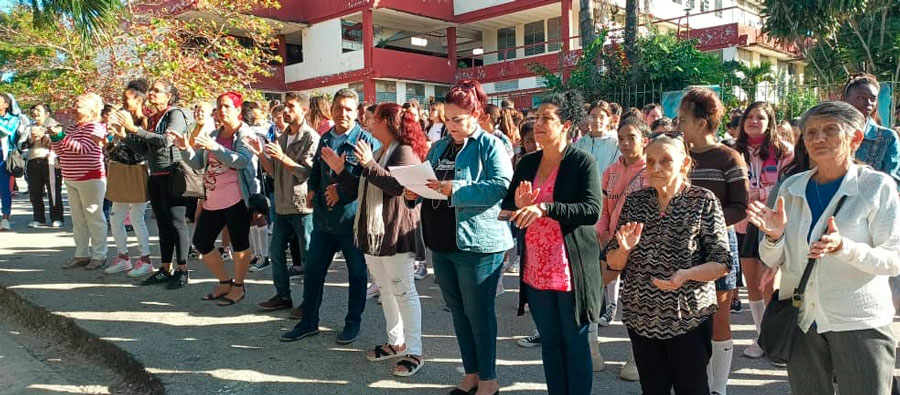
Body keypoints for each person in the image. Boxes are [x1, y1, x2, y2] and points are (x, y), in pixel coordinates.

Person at [748, 101, 900, 395]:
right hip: (803, 319)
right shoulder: (790, 188)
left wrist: (844, 247)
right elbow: (772, 258)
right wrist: (775, 236)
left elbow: (893, 260)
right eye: (811, 132)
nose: (818, 139)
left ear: (855, 138)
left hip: (858, 321)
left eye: (830, 130)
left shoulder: (876, 187)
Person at [404, 80, 513, 395]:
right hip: (442, 242)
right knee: (459, 312)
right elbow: (427, 183)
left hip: (477, 243)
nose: (450, 125)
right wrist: (413, 193)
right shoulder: (439, 147)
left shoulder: (490, 145)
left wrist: (457, 189)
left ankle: (489, 380)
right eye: (446, 119)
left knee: (478, 313)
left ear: (475, 114)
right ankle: (471, 373)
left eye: (458, 120)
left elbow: (500, 187)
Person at [606, 133, 731, 395]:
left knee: (693, 388)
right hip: (641, 316)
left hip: (688, 316)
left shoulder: (703, 200)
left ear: (684, 164)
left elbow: (721, 262)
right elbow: (613, 262)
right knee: (652, 388)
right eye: (650, 162)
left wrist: (686, 275)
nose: (656, 168)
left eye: (665, 161)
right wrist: (625, 250)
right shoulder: (636, 202)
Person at [500, 91, 602, 394]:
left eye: (547, 118)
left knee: (574, 341)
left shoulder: (582, 162)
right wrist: (517, 205)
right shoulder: (528, 162)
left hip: (571, 269)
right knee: (550, 342)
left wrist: (546, 208)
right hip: (536, 268)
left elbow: (591, 210)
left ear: (566, 124)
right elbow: (507, 207)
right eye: (536, 118)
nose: (538, 123)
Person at [280, 88, 380, 344]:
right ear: (331, 109)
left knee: (357, 274)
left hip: (351, 221)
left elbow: (372, 182)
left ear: (357, 112)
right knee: (313, 272)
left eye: (348, 109)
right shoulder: (325, 138)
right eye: (338, 108)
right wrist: (313, 189)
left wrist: (342, 193)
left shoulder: (366, 141)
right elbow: (316, 169)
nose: (342, 113)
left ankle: (352, 324)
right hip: (323, 222)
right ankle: (308, 322)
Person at [341, 103, 428, 376]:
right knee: (385, 288)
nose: (368, 121)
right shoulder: (380, 149)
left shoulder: (403, 151)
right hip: (375, 231)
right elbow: (364, 185)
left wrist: (368, 164)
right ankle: (396, 342)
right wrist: (341, 171)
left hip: (395, 230)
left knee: (404, 290)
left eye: (374, 118)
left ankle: (415, 351)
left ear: (388, 123)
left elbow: (398, 187)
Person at [679, 87, 748, 395]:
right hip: (679, 247)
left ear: (702, 122)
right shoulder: (676, 155)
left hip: (718, 247)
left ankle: (718, 387)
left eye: (683, 118)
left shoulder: (729, 157)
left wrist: (707, 224)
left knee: (719, 320)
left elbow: (740, 206)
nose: (677, 124)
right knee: (686, 320)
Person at [169, 91, 256, 306]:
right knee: (201, 241)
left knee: (239, 244)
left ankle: (238, 285)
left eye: (227, 106)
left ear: (238, 110)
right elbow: (198, 163)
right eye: (219, 106)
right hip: (213, 199)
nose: (222, 110)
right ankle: (224, 282)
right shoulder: (215, 134)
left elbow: (242, 161)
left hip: (237, 199)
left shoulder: (244, 134)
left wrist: (215, 147)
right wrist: (184, 148)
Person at [111, 80, 193, 289]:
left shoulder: (176, 113)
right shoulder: (154, 117)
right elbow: (147, 152)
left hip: (174, 174)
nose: (152, 93)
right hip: (156, 174)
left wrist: (134, 129)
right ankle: (165, 269)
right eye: (152, 90)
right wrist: (125, 136)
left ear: (169, 95)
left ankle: (182, 270)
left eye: (157, 91)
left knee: (177, 223)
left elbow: (167, 140)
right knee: (163, 225)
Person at [733, 102, 793, 368]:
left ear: (770, 122)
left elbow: (787, 188)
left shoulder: (783, 151)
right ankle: (761, 336)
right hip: (743, 224)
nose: (754, 121)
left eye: (760, 117)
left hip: (770, 223)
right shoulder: (733, 151)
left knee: (769, 282)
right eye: (750, 117)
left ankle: (774, 337)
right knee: (753, 283)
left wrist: (758, 195)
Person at [248, 92, 318, 315]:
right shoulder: (282, 137)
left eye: (290, 106)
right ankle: (282, 296)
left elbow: (305, 173)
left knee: (308, 257)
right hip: (281, 205)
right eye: (284, 106)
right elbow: (273, 172)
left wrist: (281, 157)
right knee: (276, 252)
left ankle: (309, 303)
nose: (285, 110)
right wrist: (260, 153)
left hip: (302, 207)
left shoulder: (311, 138)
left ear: (304, 110)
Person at [595, 116, 652, 380]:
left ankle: (636, 357)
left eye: (632, 138)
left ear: (645, 141)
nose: (626, 143)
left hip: (643, 245)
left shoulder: (651, 171)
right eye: (622, 139)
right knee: (594, 293)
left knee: (637, 302)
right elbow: (604, 207)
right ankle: (592, 349)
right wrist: (603, 234)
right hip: (612, 242)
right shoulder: (611, 171)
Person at [50, 93, 109, 269]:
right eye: (74, 104)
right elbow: (61, 151)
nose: (74, 108)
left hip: (90, 177)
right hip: (70, 177)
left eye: (79, 105)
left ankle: (99, 255)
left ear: (91, 109)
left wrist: (61, 136)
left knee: (94, 217)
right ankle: (81, 254)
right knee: (78, 219)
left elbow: (83, 149)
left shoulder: (95, 127)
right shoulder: (73, 127)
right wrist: (55, 138)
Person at [104, 81, 153, 277]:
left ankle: (146, 259)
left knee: (136, 217)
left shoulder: (144, 121)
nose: (123, 102)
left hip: (136, 170)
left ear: (139, 100)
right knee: (115, 216)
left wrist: (126, 132)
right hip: (118, 168)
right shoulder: (120, 118)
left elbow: (142, 151)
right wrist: (108, 145)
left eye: (127, 99)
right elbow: (118, 149)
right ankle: (123, 257)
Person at [841, 73, 900, 186]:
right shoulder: (828, 133)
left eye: (873, 99)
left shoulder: (887, 138)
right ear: (845, 99)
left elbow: (893, 183)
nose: (868, 103)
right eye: (861, 98)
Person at [24, 104, 64, 228]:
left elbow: (61, 141)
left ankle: (57, 217)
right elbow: (21, 145)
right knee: (35, 191)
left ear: (47, 113)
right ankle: (38, 218)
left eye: (39, 110)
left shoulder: (55, 125)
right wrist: (31, 139)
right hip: (33, 160)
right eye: (34, 111)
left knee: (53, 191)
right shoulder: (29, 127)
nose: (35, 113)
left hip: (50, 161)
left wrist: (45, 136)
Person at [573, 100, 620, 175]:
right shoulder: (579, 144)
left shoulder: (616, 144)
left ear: (608, 119)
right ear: (588, 118)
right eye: (593, 116)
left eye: (602, 117)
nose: (597, 121)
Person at [0, 93, 25, 230]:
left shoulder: (13, 119)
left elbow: (8, 131)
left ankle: (5, 218)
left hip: (4, 156)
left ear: (6, 104)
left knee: (4, 189)